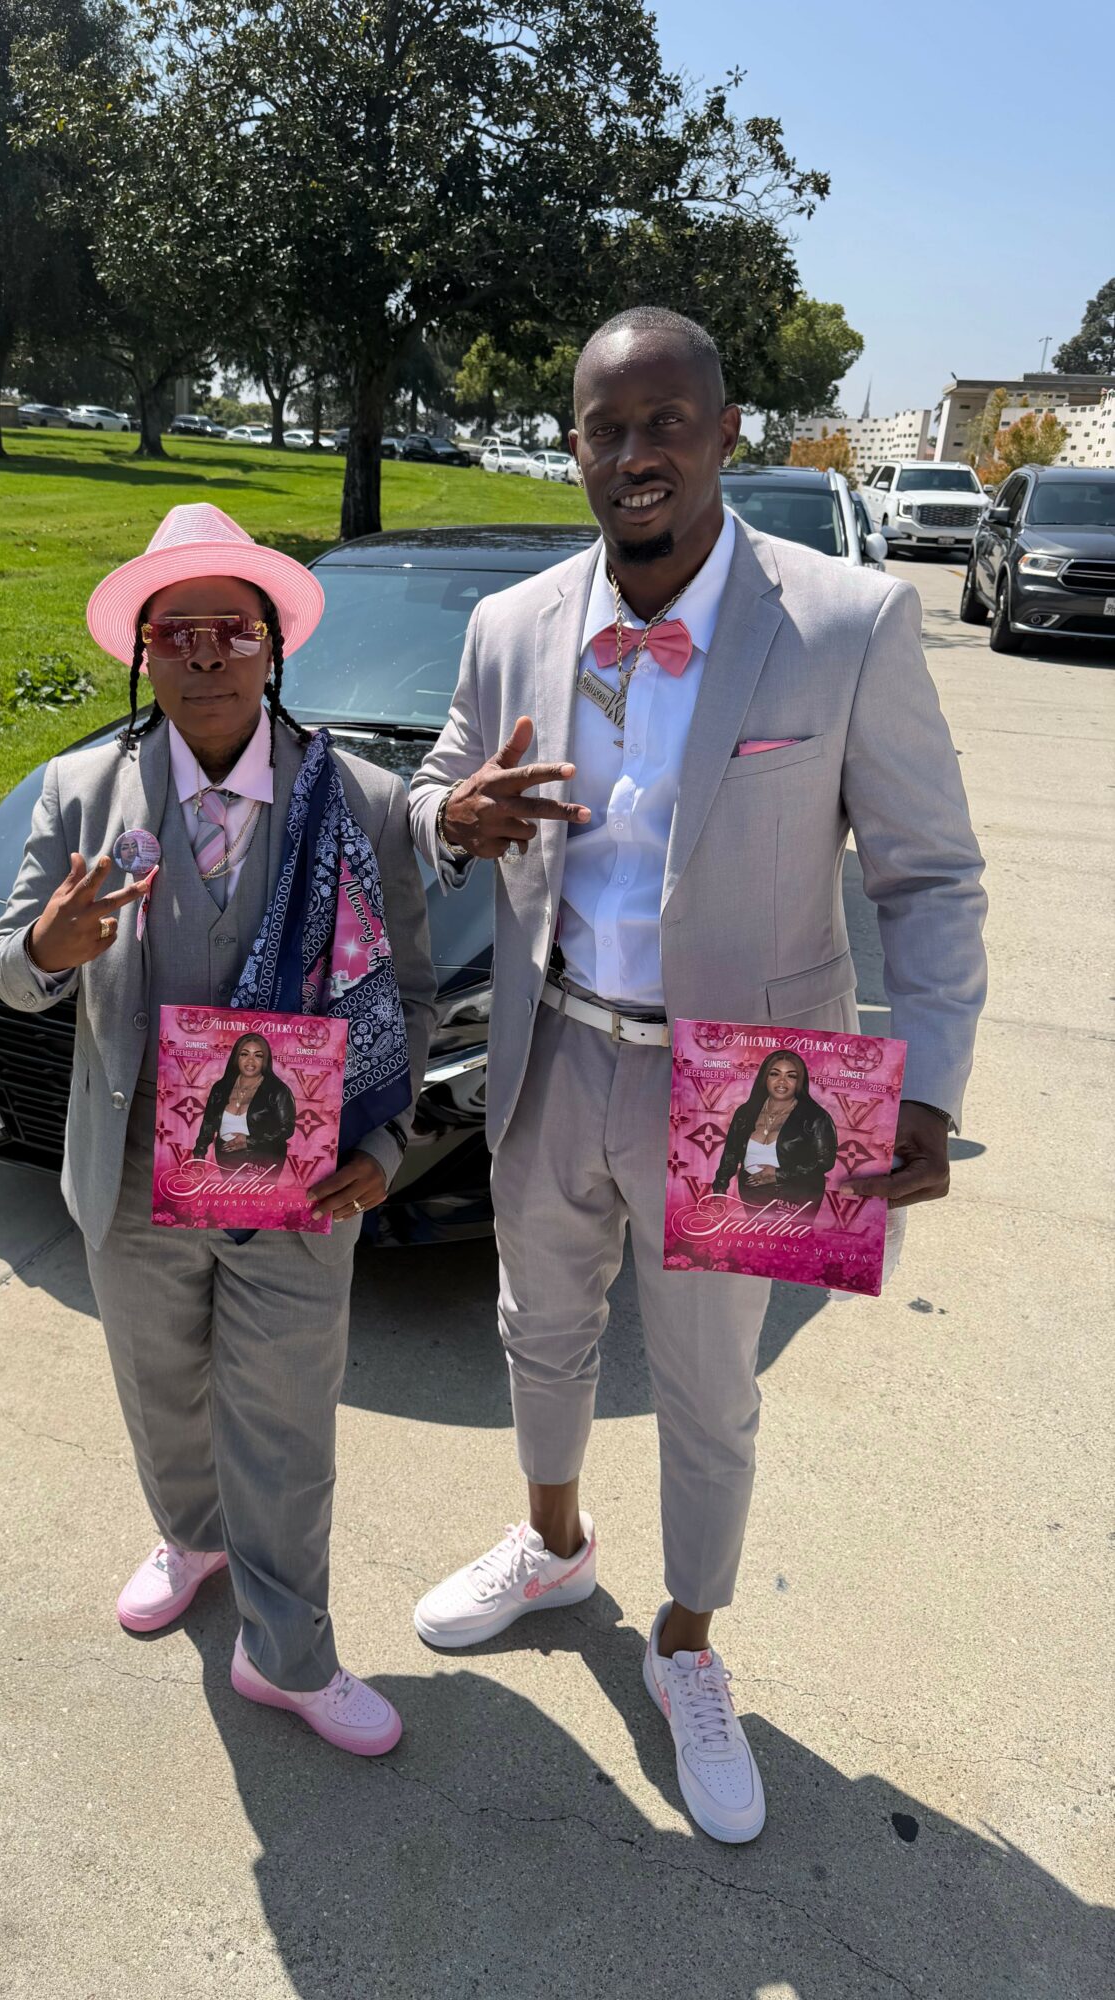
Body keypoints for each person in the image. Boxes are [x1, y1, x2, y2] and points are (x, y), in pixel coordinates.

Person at [407, 307, 987, 1843]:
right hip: (549, 1046)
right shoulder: (512, 623)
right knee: (538, 1325)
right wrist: (448, 816)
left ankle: (687, 1646)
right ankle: (553, 1546)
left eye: (669, 420)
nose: (637, 451)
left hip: (758, 1085)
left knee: (712, 1389)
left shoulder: (848, 624)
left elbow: (930, 879)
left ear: (728, 433)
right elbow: (435, 784)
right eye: (606, 426)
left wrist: (922, 1081)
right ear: (575, 447)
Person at [0, 503, 435, 1757]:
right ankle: (190, 1537)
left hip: (296, 1174)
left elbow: (409, 987)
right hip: (130, 1166)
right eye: (173, 630)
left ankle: (288, 1653)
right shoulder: (81, 794)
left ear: (271, 646)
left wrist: (386, 1146)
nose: (202, 654)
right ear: (143, 651)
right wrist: (46, 947)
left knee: (286, 1414)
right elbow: (6, 972)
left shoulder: (359, 798)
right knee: (161, 1385)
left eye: (227, 629)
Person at [712, 1050, 837, 1214]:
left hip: (796, 1194)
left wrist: (779, 1174)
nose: (782, 1081)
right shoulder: (745, 1113)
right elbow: (731, 1152)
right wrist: (720, 1188)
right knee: (757, 1238)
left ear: (799, 1081)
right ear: (765, 1078)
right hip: (752, 1193)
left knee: (788, 1239)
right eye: (774, 1074)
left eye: (791, 1076)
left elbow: (825, 1161)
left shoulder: (816, 1117)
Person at [193, 1032, 296, 1175]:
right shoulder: (220, 1088)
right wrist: (199, 1153)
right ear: (236, 1057)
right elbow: (208, 1123)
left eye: (258, 1055)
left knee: (257, 1197)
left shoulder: (278, 1090)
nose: (250, 1061)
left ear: (265, 1060)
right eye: (244, 1054)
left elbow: (287, 1128)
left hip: (263, 1158)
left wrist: (249, 1141)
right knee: (231, 1196)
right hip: (226, 1156)